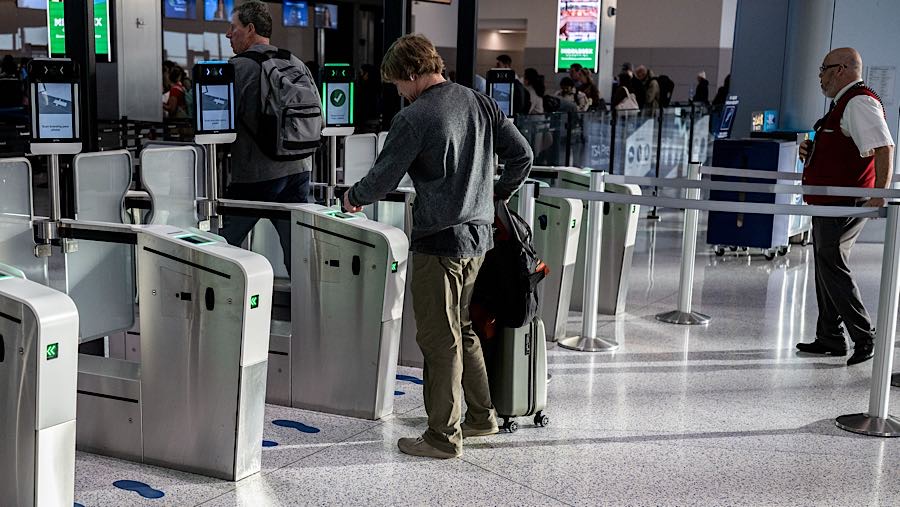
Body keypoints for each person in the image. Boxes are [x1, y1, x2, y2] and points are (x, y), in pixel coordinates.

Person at [343, 34, 532, 459]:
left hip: (440, 242)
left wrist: (352, 197)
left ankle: (443, 436)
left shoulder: (415, 117)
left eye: (398, 84)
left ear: (412, 74)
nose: (399, 92)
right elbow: (523, 154)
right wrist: (494, 195)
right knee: (463, 328)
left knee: (437, 337)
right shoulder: (480, 101)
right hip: (479, 239)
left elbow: (383, 178)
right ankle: (482, 417)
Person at [796, 48, 895, 366]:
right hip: (828, 202)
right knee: (826, 264)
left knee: (832, 262)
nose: (821, 77)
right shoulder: (841, 106)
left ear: (841, 69)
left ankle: (864, 335)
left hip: (843, 202)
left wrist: (880, 192)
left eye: (823, 70)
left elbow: (883, 146)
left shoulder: (859, 102)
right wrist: (811, 151)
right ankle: (830, 336)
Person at [222, 0, 320, 273]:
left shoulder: (239, 67)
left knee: (222, 247)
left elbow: (218, 125)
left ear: (250, 29)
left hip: (256, 175)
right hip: (299, 169)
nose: (229, 34)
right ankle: (308, 311)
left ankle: (225, 306)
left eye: (234, 28)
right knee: (298, 254)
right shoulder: (295, 62)